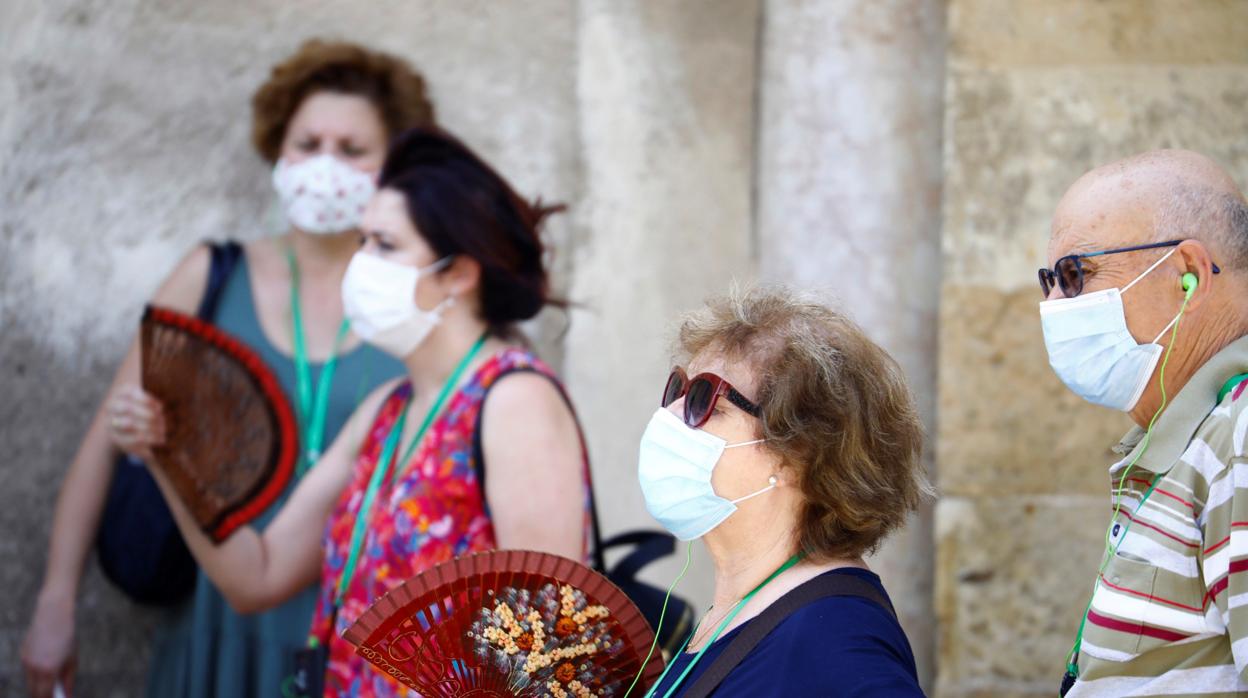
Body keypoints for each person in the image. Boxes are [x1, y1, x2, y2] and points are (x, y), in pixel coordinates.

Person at [21, 39, 435, 698]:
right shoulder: (212, 276)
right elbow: (105, 441)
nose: (325, 165)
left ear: (395, 168)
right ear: (278, 151)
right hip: (213, 615)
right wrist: (56, 602)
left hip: (357, 632)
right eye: (308, 143)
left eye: (353, 150)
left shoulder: (418, 302)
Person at [147, 126, 591, 698]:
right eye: (362, 242)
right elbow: (256, 576)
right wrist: (166, 452)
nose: (360, 264)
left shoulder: (513, 402)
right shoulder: (389, 408)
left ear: (457, 272)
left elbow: (549, 652)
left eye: (384, 245)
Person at [636, 286, 930, 696]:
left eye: (707, 403)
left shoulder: (836, 638)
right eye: (677, 390)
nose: (668, 416)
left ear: (800, 452)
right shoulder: (740, 610)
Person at [1040, 150, 1248, 697]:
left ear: (1188, 275)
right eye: (1050, 280)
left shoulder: (1241, 440)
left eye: (1075, 274)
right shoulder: (1199, 434)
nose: (1056, 302)